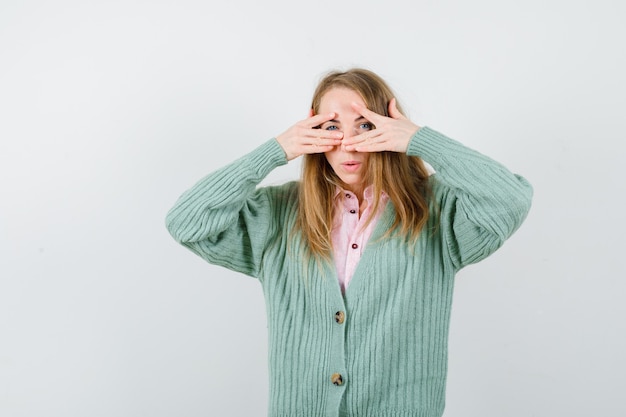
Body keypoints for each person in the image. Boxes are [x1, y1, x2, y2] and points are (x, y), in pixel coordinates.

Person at [165, 68, 533, 417]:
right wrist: (275, 150)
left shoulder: (435, 209)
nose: (349, 143)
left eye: (365, 125)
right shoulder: (279, 214)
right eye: (331, 127)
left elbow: (510, 200)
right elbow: (186, 222)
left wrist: (421, 140)